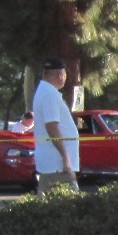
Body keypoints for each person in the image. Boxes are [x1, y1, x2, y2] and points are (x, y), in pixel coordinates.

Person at [31, 57, 78, 192]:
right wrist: (66, 157)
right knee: (69, 203)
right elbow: (52, 127)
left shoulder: (45, 91)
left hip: (52, 162)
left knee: (47, 203)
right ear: (60, 75)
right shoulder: (49, 95)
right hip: (57, 163)